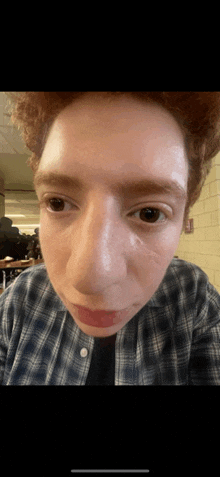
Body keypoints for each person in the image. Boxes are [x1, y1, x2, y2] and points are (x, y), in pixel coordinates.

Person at [0, 91, 220, 385]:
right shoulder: (19, 301)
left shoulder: (194, 302)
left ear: (182, 220)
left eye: (150, 213)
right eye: (57, 203)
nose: (91, 278)